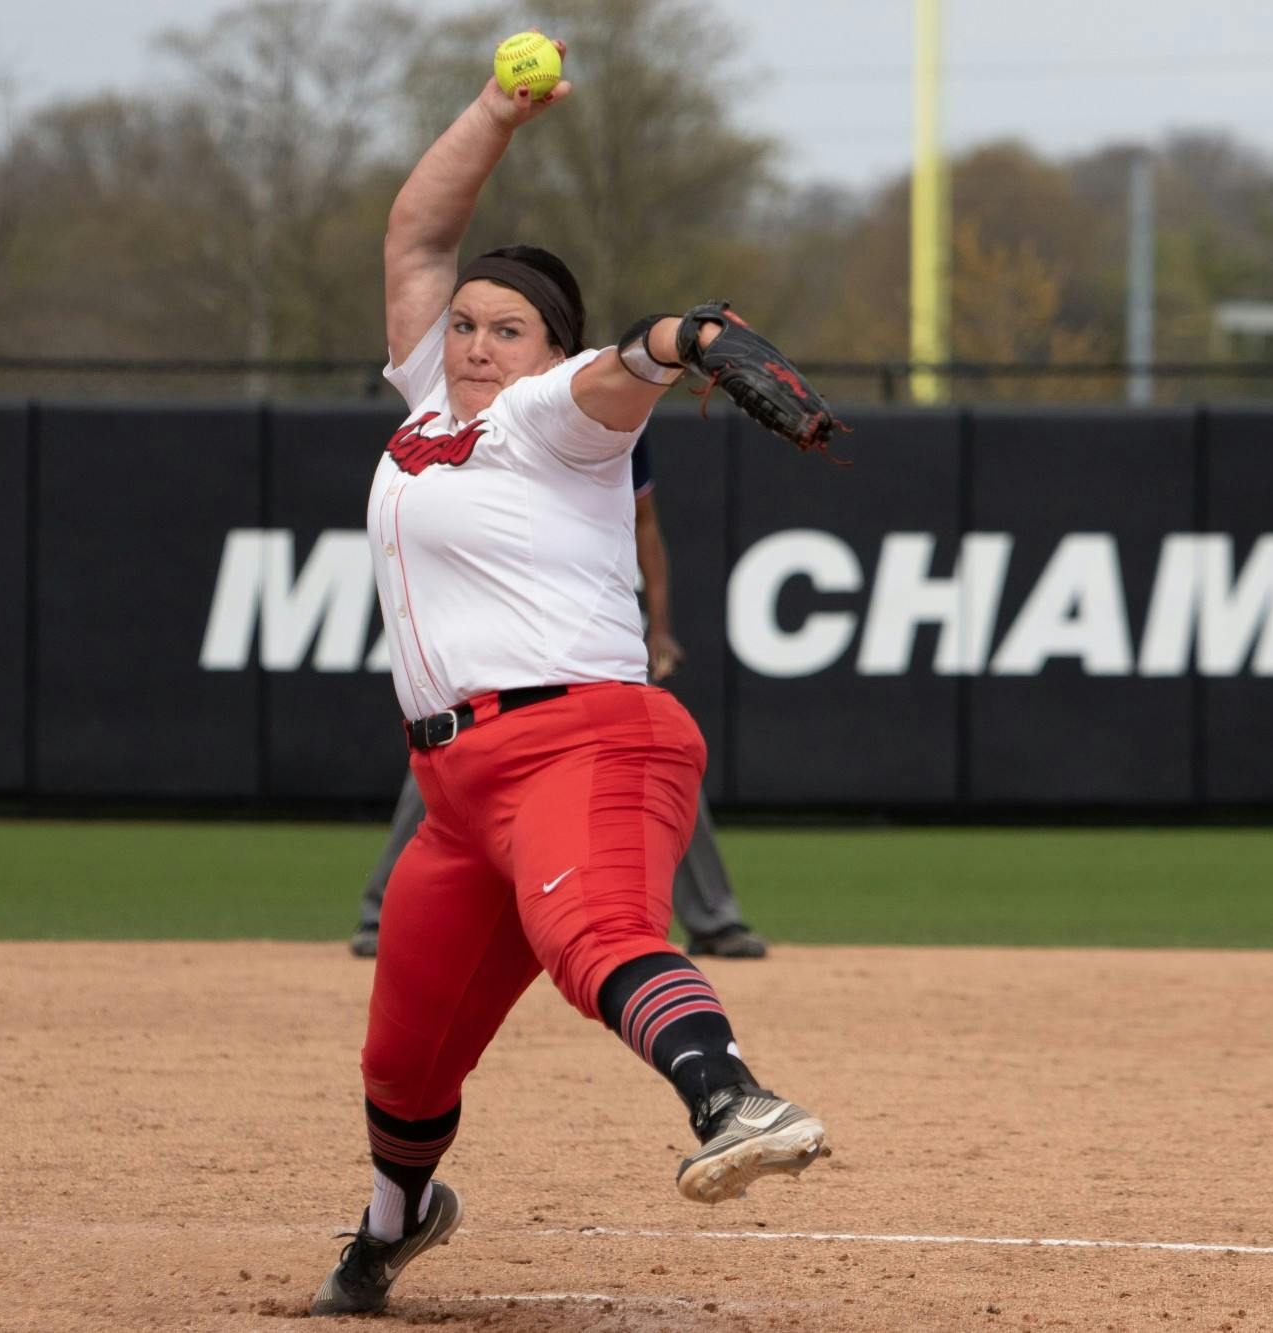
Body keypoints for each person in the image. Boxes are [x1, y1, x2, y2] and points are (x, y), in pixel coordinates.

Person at [310, 39, 838, 1319]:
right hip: (455, 790)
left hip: (583, 743)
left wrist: (687, 335)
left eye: (509, 329)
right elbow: (416, 233)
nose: (479, 341)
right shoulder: (431, 406)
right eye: (468, 324)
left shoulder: (551, 414)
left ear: (547, 347)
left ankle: (733, 1096)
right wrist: (496, 109)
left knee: (593, 938)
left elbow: (632, 363)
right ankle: (393, 1224)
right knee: (403, 1050)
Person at [347, 437, 769, 961]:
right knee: (453, 753)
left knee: (651, 756)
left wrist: (659, 627)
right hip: (500, 617)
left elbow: (644, 523)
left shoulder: (614, 420)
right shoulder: (482, 422)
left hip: (582, 627)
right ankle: (384, 914)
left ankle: (713, 919)